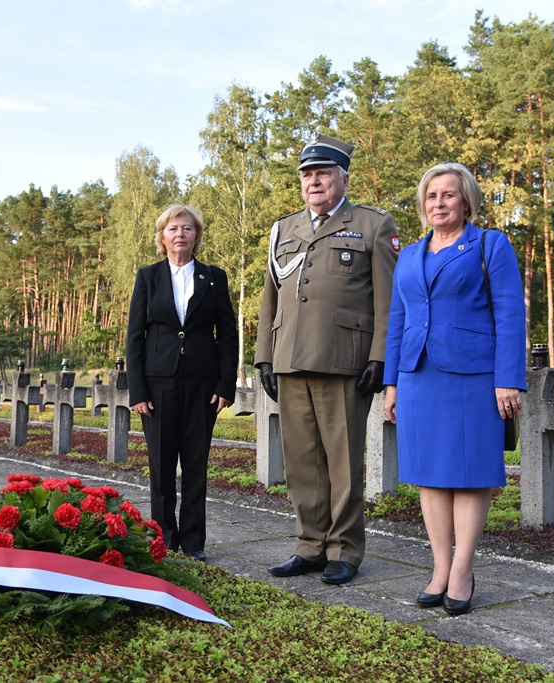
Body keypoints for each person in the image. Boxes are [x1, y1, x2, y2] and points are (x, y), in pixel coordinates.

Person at [255, 132, 400, 585]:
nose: (313, 182)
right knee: (301, 463)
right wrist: (264, 357)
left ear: (343, 178)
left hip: (345, 361)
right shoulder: (285, 229)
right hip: (291, 358)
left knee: (342, 462)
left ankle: (344, 549)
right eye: (306, 175)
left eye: (322, 173)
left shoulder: (373, 225)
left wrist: (380, 357)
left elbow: (389, 300)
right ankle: (310, 545)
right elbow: (269, 300)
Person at [382, 162, 526, 615]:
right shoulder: (408, 254)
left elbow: (510, 314)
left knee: (469, 473)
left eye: (448, 194)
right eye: (431, 196)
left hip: (473, 376)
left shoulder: (490, 244)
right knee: (429, 474)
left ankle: (463, 569)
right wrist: (391, 382)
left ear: (466, 200)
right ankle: (440, 568)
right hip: (418, 376)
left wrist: (508, 379)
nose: (439, 202)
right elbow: (397, 320)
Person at [126, 204, 239, 562]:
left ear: (196, 236)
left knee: (195, 462)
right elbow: (134, 337)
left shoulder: (213, 277)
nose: (180, 234)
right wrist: (138, 390)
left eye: (187, 228)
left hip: (204, 384)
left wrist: (225, 384)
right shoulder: (148, 277)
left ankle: (193, 541)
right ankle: (162, 536)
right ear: (162, 237)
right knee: (160, 464)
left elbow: (229, 333)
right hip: (158, 384)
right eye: (173, 229)